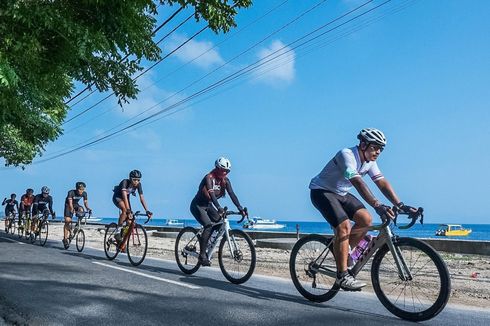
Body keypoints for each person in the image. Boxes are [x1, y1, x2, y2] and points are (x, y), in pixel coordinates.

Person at [309, 128, 414, 291]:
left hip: (341, 193)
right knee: (344, 226)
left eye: (381, 148)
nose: (378, 151)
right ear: (363, 144)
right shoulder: (347, 155)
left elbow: (382, 183)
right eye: (375, 147)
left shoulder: (370, 162)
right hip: (321, 191)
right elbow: (358, 182)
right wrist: (378, 205)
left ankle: (345, 254)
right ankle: (342, 276)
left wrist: (400, 204)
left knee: (366, 219)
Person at [190, 157, 247, 266]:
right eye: (223, 170)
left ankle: (206, 243)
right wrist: (219, 207)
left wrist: (240, 208)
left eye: (227, 171)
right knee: (208, 225)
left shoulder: (225, 181)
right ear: (217, 168)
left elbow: (232, 194)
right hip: (197, 205)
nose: (225, 172)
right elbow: (211, 194)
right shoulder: (209, 177)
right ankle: (202, 256)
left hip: (209, 205)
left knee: (218, 224)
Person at [112, 170, 152, 242]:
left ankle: (121, 240)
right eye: (134, 180)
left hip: (126, 199)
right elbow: (124, 196)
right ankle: (117, 232)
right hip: (117, 197)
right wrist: (128, 210)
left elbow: (142, 198)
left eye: (138, 180)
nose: (136, 182)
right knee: (125, 210)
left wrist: (147, 210)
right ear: (130, 179)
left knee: (130, 222)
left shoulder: (138, 185)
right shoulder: (125, 182)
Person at [62, 182, 92, 249]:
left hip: (75, 204)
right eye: (80, 189)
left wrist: (88, 208)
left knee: (81, 209)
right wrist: (72, 209)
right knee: (67, 220)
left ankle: (77, 225)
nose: (81, 191)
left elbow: (85, 202)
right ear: (77, 188)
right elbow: (70, 203)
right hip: (68, 205)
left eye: (83, 189)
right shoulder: (71, 192)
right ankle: (65, 239)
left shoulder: (84, 193)